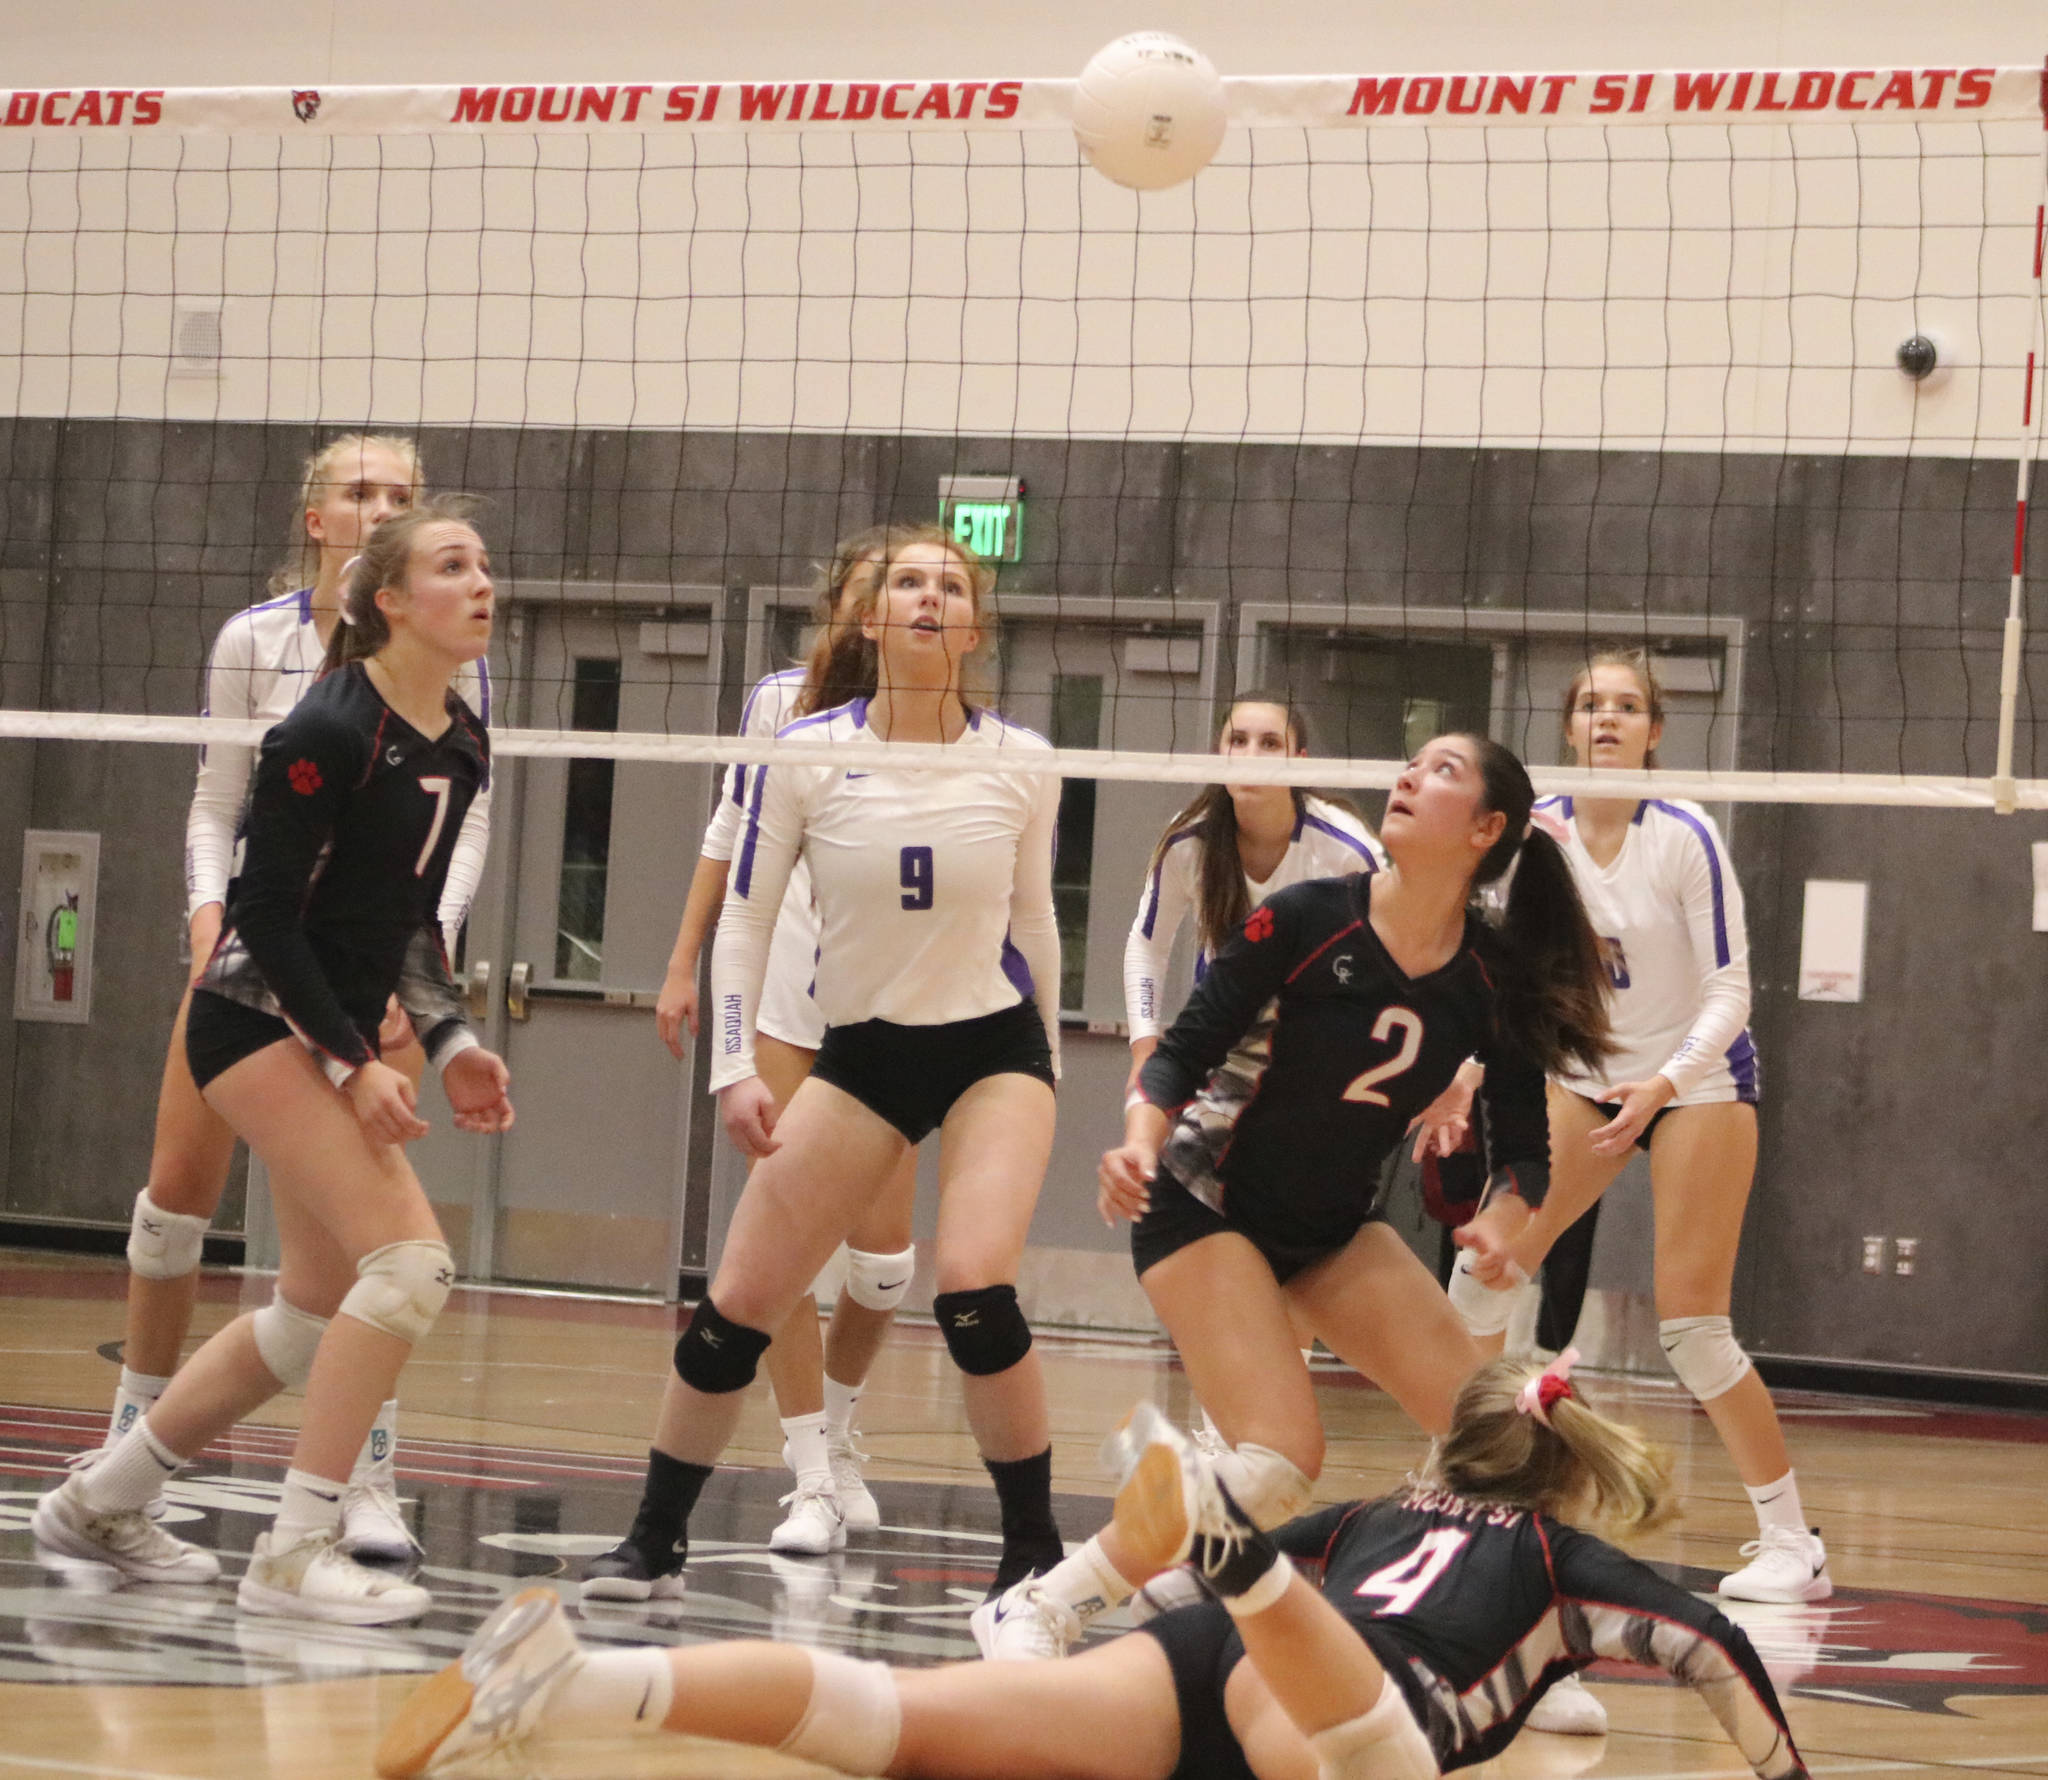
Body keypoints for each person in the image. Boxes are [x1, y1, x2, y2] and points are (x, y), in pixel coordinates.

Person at [373, 1354, 1807, 1780]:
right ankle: (1248, 1571)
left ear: (1447, 1466)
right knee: (1375, 1762)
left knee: (897, 1722)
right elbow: (1714, 1651)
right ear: (1559, 1481)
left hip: (1210, 1666)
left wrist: (1079, 1604)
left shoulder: (1375, 1516)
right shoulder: (1566, 1557)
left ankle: (573, 1684)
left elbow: (1158, 1602)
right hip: (1338, 1696)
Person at [986, 733, 1613, 1672]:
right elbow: (1181, 1054)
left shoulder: (1492, 978)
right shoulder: (1307, 918)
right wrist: (1138, 1142)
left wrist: (1501, 1225)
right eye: (1410, 761)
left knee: (1513, 1450)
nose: (1406, 775)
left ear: (1487, 829)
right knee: (1280, 1458)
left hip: (1329, 1229)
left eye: (1442, 771)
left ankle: (1511, 1659)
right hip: (1205, 1202)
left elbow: (1524, 1150)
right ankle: (1045, 1603)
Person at [33, 501, 513, 1625]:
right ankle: (295, 1547)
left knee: (311, 1308)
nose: (483, 583)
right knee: (408, 1268)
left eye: (486, 566)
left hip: (334, 1026)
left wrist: (451, 1039)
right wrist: (351, 1062)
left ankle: (104, 1499)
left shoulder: (457, 738)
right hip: (251, 1022)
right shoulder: (323, 730)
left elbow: (405, 920)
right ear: (390, 599)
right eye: (454, 566)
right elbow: (263, 915)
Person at [583, 524, 1066, 1615]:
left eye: (950, 585)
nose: (929, 598)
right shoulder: (804, 751)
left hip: (991, 1045)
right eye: (907, 582)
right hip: (862, 1053)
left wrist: (1049, 1070)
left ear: (974, 625)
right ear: (869, 615)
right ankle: (652, 1541)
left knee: (972, 1293)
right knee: (738, 1304)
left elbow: (1034, 919)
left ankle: (1032, 1552)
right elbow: (746, 916)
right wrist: (733, 1065)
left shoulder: (1022, 761)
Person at [1448, 648, 1829, 1604]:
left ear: (1654, 734)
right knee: (1484, 1274)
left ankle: (1792, 1542)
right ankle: (1460, 1494)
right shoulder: (1534, 838)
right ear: (1569, 728)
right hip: (1584, 1076)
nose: (1606, 719)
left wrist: (1662, 1084)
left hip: (1696, 1082)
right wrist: (1461, 1076)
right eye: (1589, 705)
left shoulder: (1685, 836)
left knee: (1695, 1328)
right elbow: (1491, 978)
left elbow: (1732, 990)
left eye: (1626, 707)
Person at [652, 527, 919, 1556]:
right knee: (790, 1249)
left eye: (907, 590)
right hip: (781, 998)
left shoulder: (949, 724)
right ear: (843, 607)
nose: (888, 608)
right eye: (870, 589)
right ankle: (809, 1467)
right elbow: (727, 835)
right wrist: (683, 964)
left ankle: (841, 1430)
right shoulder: (778, 701)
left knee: (885, 1265)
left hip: (891, 1006)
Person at [1123, 691, 1384, 1089]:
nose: (1251, 756)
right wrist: (1144, 1049)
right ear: (1219, 754)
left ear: (1299, 762)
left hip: (1318, 1054)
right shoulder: (1189, 842)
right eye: (1238, 741)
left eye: (1270, 743)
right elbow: (1148, 945)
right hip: (1220, 1049)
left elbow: (1399, 953)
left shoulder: (1347, 849)